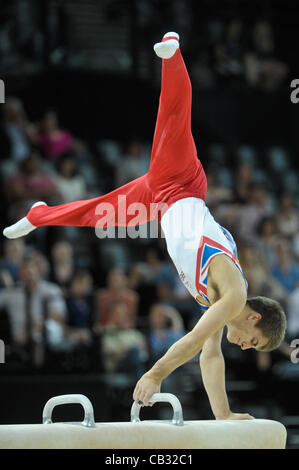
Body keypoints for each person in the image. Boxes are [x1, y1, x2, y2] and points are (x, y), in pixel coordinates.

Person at [3, 33, 286, 418]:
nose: (245, 347)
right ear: (254, 317)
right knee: (175, 117)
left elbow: (210, 355)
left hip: (158, 202)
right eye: (253, 342)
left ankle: (38, 215)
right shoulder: (235, 294)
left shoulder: (221, 303)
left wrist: (225, 418)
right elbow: (194, 341)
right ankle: (173, 54)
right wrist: (155, 375)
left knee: (95, 213)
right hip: (183, 184)